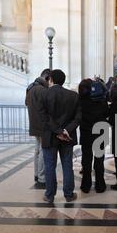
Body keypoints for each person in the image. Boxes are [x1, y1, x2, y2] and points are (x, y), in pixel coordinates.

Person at [40, 69, 81, 203]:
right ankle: (68, 194)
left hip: (50, 136)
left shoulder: (44, 94)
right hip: (67, 137)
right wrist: (65, 131)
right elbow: (78, 117)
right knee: (67, 165)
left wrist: (58, 131)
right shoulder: (73, 96)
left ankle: (50, 195)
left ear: (50, 79)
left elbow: (44, 117)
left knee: (50, 166)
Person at [79, 79, 109, 194]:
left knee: (86, 159)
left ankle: (86, 185)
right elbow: (106, 113)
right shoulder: (101, 100)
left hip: (86, 132)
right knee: (99, 159)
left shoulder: (81, 100)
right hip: (100, 132)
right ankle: (100, 185)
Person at [25, 69, 50, 189]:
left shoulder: (30, 87)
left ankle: (36, 174)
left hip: (33, 122)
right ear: (47, 78)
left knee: (37, 149)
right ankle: (41, 178)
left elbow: (26, 103)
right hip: (42, 124)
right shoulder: (42, 90)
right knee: (42, 151)